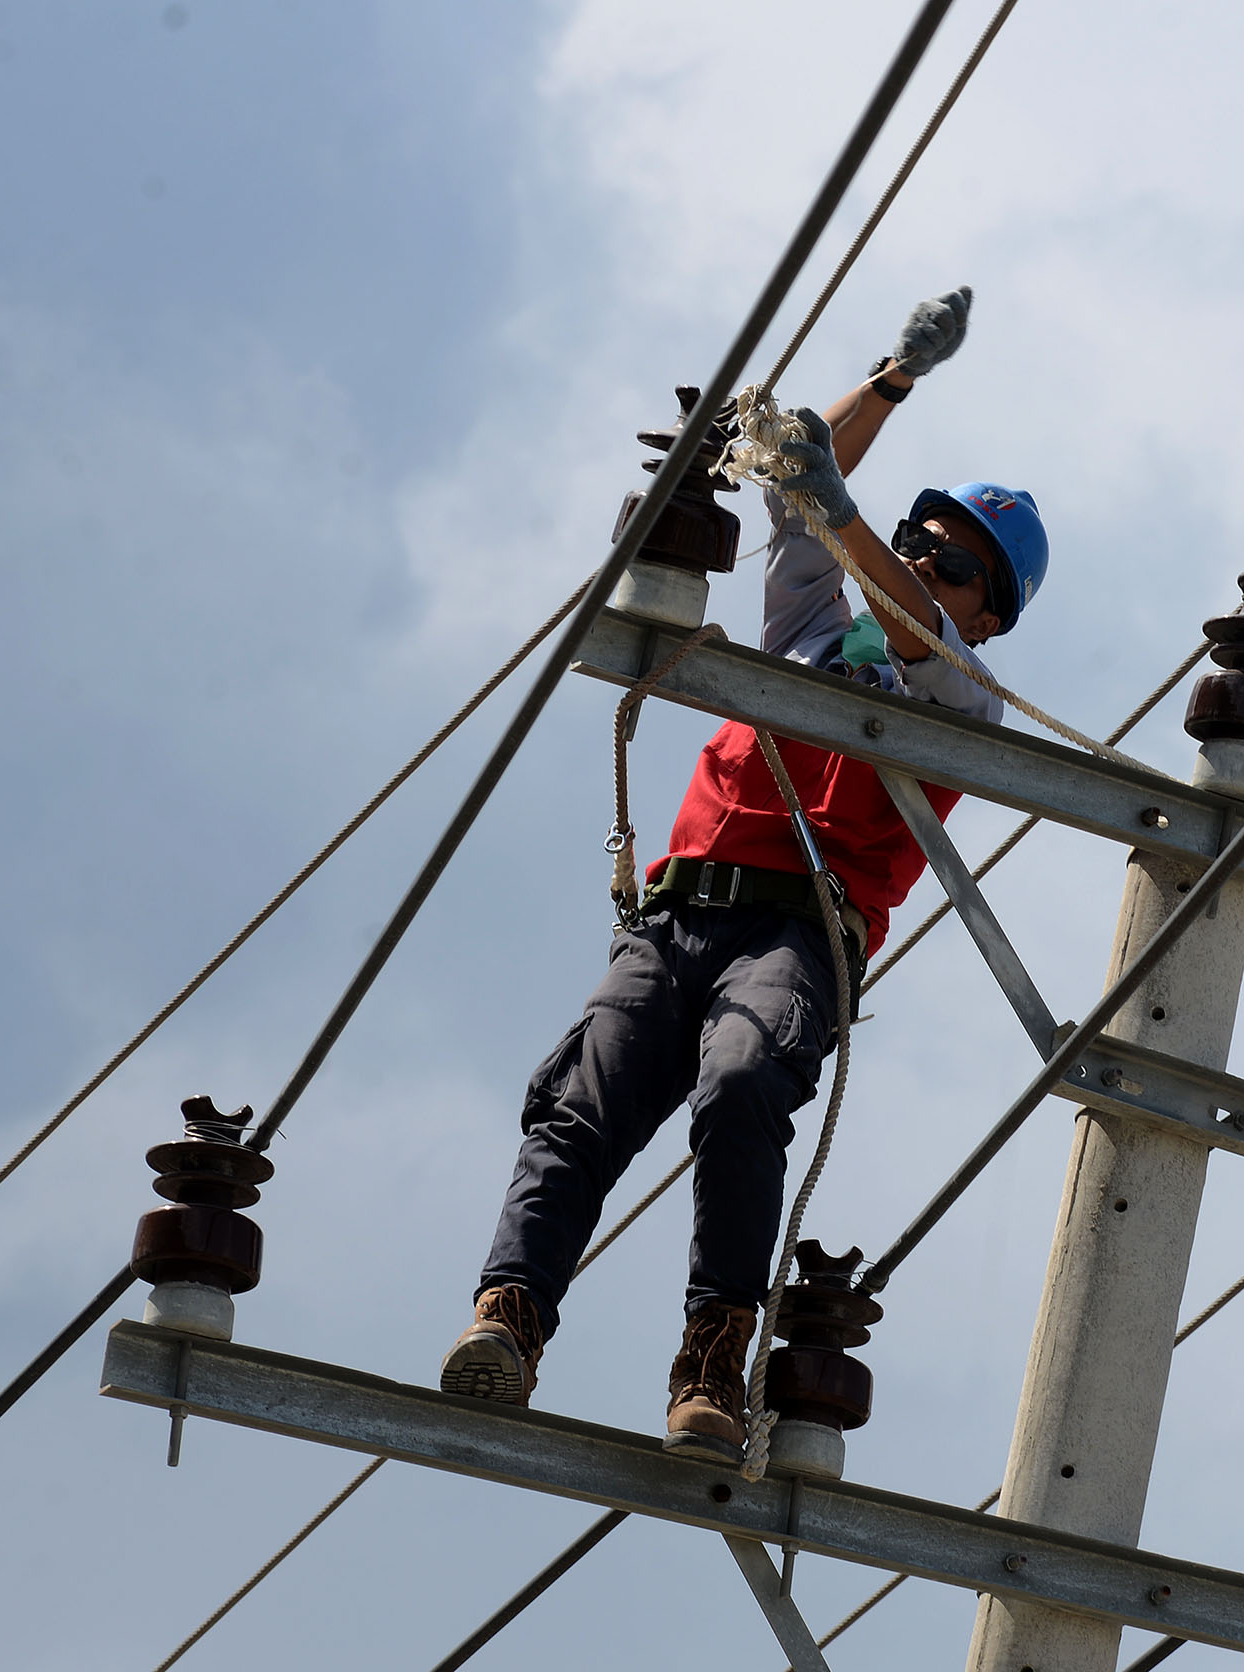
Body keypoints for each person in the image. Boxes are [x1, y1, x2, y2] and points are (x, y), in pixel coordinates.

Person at [441, 286, 1049, 1451]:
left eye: (958, 563)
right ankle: (506, 1322)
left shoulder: (966, 692)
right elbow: (789, 474)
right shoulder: (814, 617)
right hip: (677, 915)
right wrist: (891, 381)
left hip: (795, 937)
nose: (925, 559)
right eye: (919, 536)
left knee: (740, 1083)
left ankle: (711, 1361)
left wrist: (839, 504)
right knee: (579, 1109)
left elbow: (904, 607)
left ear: (994, 611)